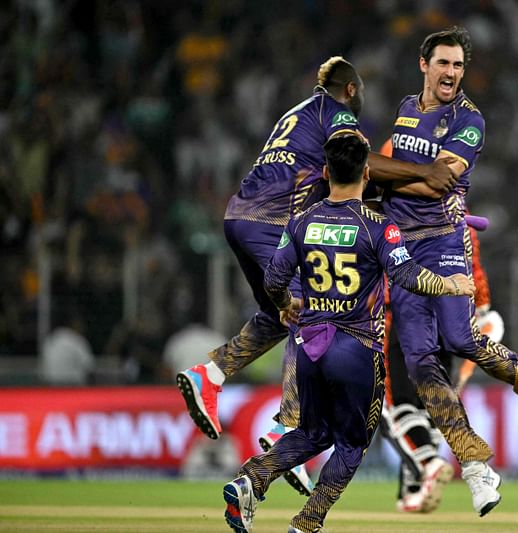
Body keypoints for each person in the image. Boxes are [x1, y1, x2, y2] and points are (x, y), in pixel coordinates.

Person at [175, 56, 456, 495]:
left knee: (276, 315)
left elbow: (348, 182)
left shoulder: (299, 117)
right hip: (271, 223)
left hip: (242, 218)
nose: (361, 104)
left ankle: (208, 374)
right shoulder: (335, 111)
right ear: (349, 89)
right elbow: (360, 162)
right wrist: (427, 174)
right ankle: (286, 428)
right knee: (314, 306)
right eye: (360, 94)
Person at [380, 26, 518, 516]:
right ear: (424, 65)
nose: (451, 72)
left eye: (458, 65)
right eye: (443, 63)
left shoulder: (469, 119)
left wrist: (377, 183)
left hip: (444, 244)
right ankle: (476, 467)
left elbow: (439, 183)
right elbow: (414, 177)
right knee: (420, 366)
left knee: (461, 340)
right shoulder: (408, 110)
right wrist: (390, 184)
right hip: (402, 254)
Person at [222, 134, 475, 533]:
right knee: (352, 444)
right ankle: (307, 522)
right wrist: (450, 284)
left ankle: (250, 480)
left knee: (311, 432)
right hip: (356, 347)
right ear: (368, 173)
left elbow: (274, 279)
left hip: (309, 345)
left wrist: (287, 305)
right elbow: (406, 275)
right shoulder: (379, 227)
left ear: (326, 173)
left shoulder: (300, 221)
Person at [381, 213, 503, 513]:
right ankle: (414, 489)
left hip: (400, 313)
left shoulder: (393, 213)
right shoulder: (458, 221)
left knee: (393, 407)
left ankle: (428, 465)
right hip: (448, 312)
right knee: (432, 403)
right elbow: (475, 275)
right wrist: (481, 307)